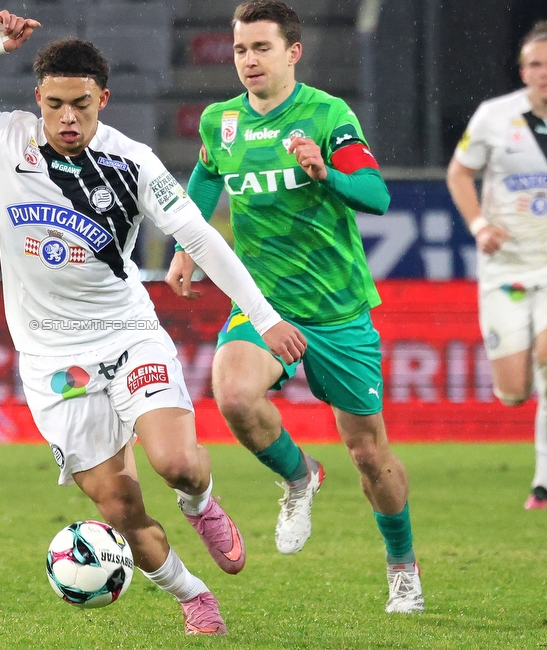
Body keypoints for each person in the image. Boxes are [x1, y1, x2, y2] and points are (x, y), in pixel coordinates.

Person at [0, 9, 308, 636]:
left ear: (103, 100)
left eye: (83, 106)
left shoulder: (133, 161)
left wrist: (264, 316)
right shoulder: (3, 137)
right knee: (118, 506)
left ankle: (200, 503)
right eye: (57, 104)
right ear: (37, 98)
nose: (69, 119)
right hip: (52, 362)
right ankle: (192, 595)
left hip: (127, 336)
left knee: (177, 463)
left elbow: (199, 235)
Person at [165, 0, 424, 614]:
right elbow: (204, 178)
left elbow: (377, 195)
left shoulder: (327, 116)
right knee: (232, 395)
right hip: (265, 302)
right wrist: (187, 244)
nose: (248, 61)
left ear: (292, 53)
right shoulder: (220, 122)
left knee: (368, 452)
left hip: (337, 310)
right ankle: (299, 475)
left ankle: (402, 565)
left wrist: (326, 172)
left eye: (261, 48)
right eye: (239, 50)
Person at [446, 21, 547, 510]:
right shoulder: (494, 117)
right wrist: (480, 225)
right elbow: (460, 172)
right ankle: (523, 390)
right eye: (534, 64)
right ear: (523, 70)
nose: (543, 73)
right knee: (512, 392)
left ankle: (543, 487)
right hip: (505, 269)